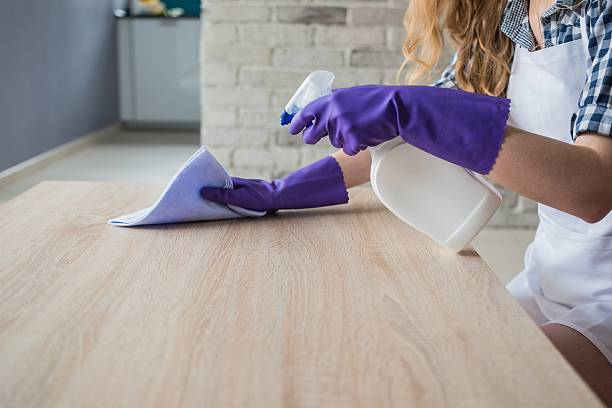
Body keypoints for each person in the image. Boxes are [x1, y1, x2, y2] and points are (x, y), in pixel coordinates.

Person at [202, 0, 612, 403]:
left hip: (607, 297)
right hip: (548, 276)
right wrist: (288, 190)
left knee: (475, 383)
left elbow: (593, 187)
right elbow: (409, 129)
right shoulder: (510, 15)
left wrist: (408, 109)